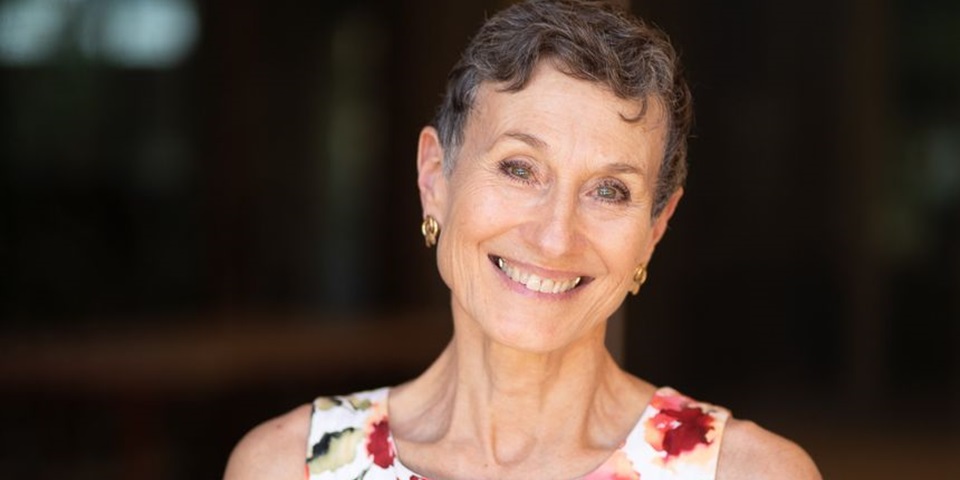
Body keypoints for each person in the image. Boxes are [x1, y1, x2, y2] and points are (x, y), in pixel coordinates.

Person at [223, 0, 822, 478]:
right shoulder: (285, 466)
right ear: (435, 179)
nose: (555, 236)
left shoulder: (748, 473)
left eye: (609, 190)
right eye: (518, 169)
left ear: (656, 227)